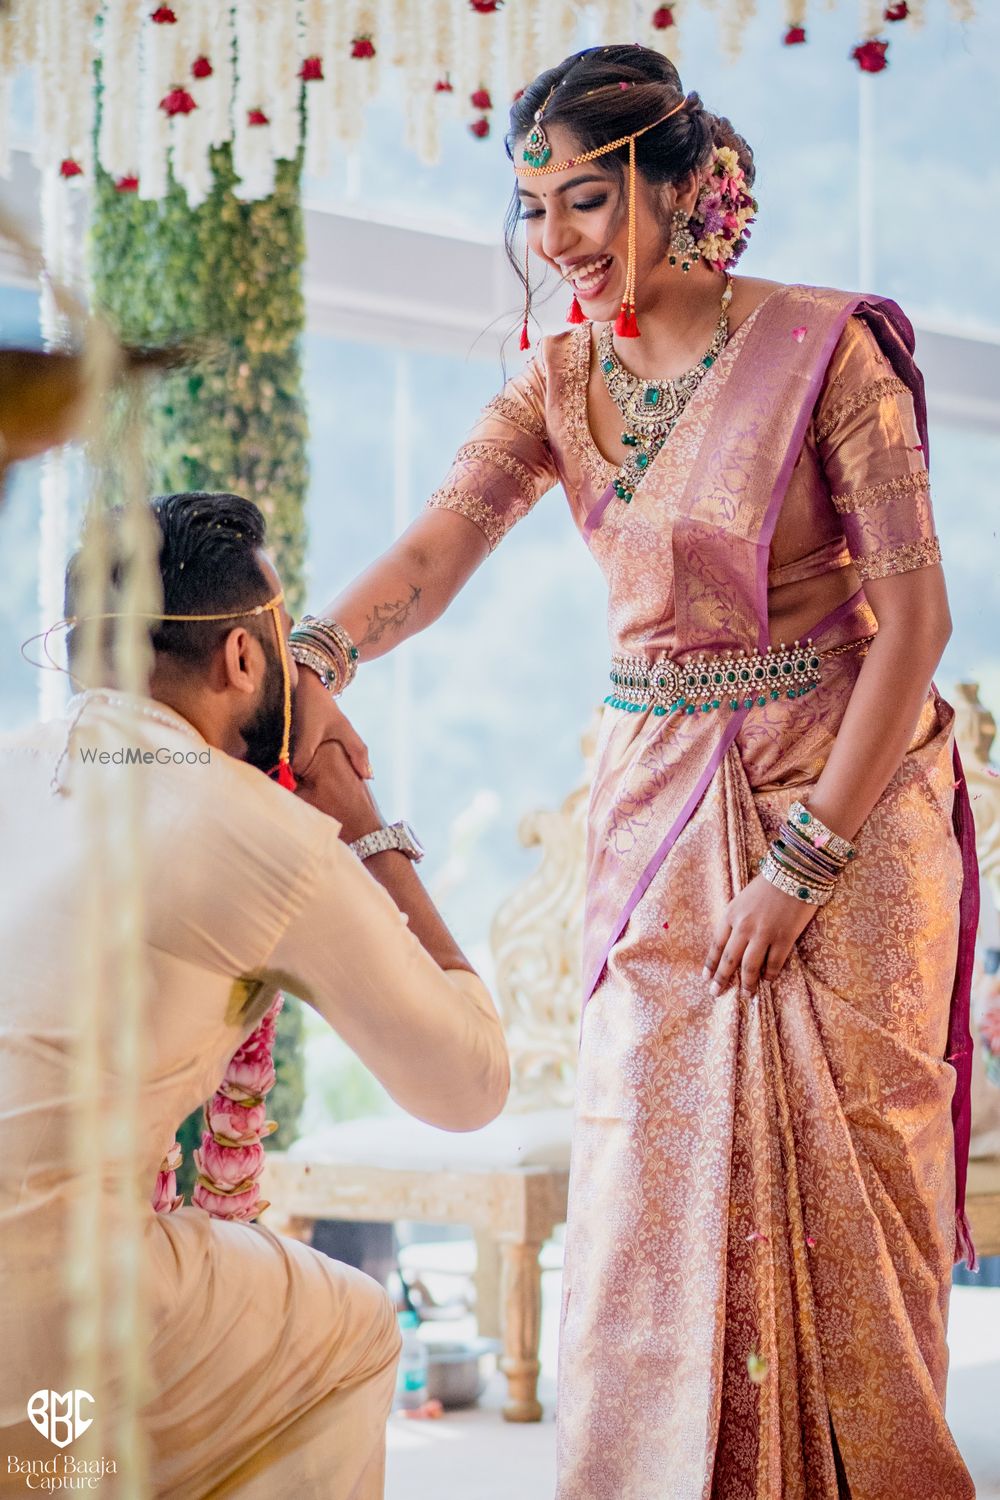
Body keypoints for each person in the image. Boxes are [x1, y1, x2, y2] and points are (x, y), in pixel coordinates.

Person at [291, 43, 979, 1500]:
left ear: (683, 185)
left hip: (845, 794)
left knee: (849, 1185)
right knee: (643, 1191)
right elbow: (437, 549)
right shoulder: (558, 381)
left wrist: (807, 864)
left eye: (589, 199)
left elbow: (915, 621)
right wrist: (316, 657)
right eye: (537, 210)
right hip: (658, 808)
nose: (559, 244)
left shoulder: (825, 350)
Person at [0, 491, 509, 1497]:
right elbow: (470, 1085)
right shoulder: (255, 834)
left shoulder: (15, 767)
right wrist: (367, 828)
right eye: (281, 637)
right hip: (47, 1309)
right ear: (241, 659)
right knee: (357, 1327)